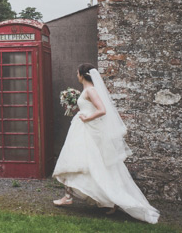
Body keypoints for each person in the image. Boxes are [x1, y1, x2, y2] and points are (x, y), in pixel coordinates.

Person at [52, 63, 160, 224]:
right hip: (82, 130)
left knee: (93, 165)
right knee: (76, 162)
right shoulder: (87, 90)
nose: (76, 76)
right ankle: (68, 196)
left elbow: (102, 110)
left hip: (88, 130)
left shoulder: (91, 90)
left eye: (77, 73)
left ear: (82, 75)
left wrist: (86, 118)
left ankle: (113, 200)